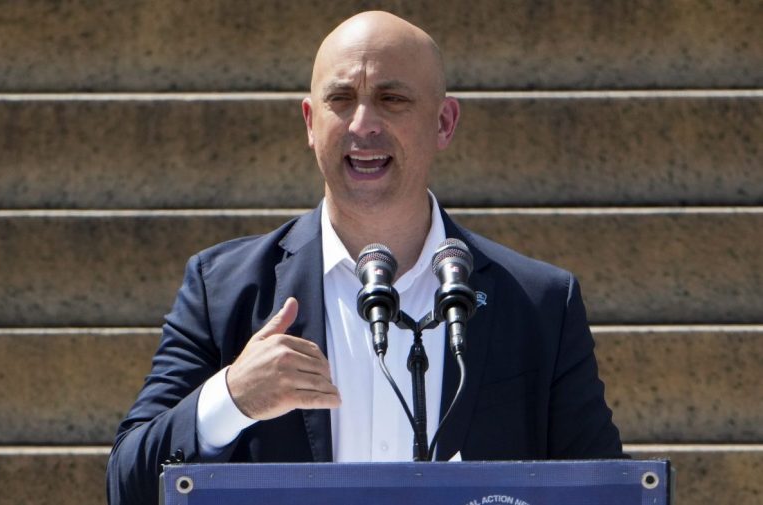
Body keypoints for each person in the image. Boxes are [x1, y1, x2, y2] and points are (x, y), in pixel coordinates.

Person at [107, 11, 624, 504]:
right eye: (340, 99)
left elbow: (608, 490)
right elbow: (127, 484)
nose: (362, 124)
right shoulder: (222, 290)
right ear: (310, 123)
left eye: (392, 98)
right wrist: (231, 400)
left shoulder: (539, 304)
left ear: (444, 122)